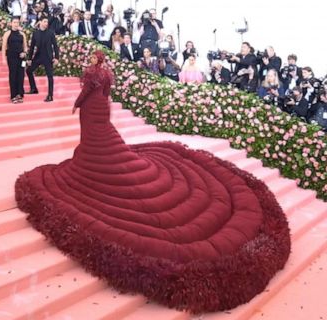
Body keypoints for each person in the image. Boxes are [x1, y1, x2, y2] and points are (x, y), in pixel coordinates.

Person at [15, 50, 290, 315]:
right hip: (102, 108)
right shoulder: (106, 74)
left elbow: (86, 92)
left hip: (91, 109)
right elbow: (105, 93)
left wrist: (77, 104)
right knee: (103, 142)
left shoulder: (91, 73)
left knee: (95, 146)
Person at [26, 17, 59, 102]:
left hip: (48, 57)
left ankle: (50, 95)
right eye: (44, 21)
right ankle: (33, 89)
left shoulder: (50, 33)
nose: (46, 23)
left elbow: (55, 46)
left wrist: (56, 58)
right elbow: (32, 47)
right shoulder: (35, 33)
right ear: (40, 22)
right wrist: (29, 59)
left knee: (50, 76)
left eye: (47, 22)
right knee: (29, 70)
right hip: (38, 56)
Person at [1, 17, 28, 103]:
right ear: (11, 23)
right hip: (11, 57)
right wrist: (3, 59)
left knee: (21, 75)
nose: (16, 24)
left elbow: (26, 47)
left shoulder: (22, 34)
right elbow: (4, 47)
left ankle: (19, 94)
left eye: (17, 22)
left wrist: (24, 53)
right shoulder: (7, 33)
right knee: (13, 75)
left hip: (22, 59)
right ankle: (13, 95)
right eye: (14, 22)